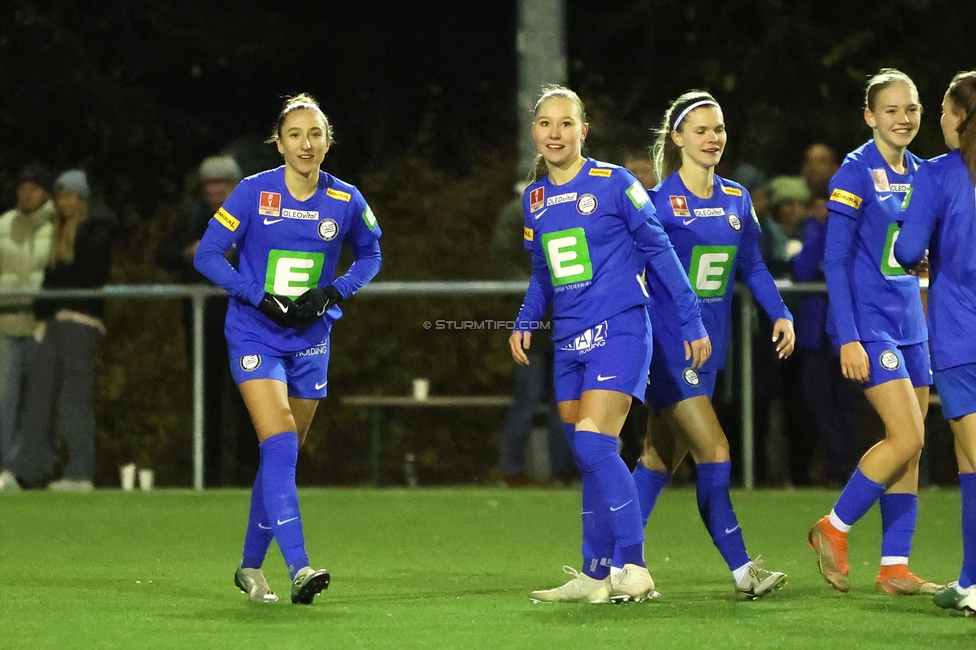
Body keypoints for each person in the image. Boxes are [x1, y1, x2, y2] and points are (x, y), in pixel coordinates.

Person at [509, 85, 710, 604]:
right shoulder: (534, 200)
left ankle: (635, 566)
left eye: (566, 123)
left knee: (598, 444)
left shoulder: (616, 182)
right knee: (587, 453)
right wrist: (527, 319)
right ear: (535, 132)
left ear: (584, 130)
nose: (556, 133)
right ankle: (596, 576)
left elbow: (661, 251)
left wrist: (690, 320)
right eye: (546, 124)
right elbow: (542, 271)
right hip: (569, 340)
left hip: (620, 328)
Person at [194, 93, 382, 605]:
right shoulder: (253, 193)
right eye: (295, 134)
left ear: (327, 142)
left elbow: (371, 254)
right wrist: (257, 296)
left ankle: (251, 568)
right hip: (255, 335)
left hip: (311, 340)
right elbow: (208, 255)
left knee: (283, 455)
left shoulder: (345, 200)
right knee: (278, 444)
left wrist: (334, 291)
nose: (306, 143)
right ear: (278, 143)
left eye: (315, 134)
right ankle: (301, 568)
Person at [620, 90, 792, 599]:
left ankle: (607, 565)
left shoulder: (738, 198)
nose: (713, 137)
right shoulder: (657, 204)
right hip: (670, 348)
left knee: (657, 460)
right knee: (714, 451)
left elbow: (754, 266)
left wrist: (779, 312)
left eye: (718, 128)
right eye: (701, 130)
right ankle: (744, 572)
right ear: (677, 138)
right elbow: (634, 274)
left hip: (708, 349)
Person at [808, 68, 942, 596]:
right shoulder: (855, 171)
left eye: (911, 109)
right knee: (905, 434)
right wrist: (847, 336)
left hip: (913, 324)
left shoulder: (923, 172)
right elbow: (834, 261)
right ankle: (833, 528)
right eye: (891, 110)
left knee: (913, 445)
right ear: (870, 117)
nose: (903, 118)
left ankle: (894, 567)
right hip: (871, 327)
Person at [894, 70, 976, 614]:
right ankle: (970, 579)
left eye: (946, 111)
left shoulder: (940, 174)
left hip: (959, 331)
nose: (941, 121)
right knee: (968, 466)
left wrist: (917, 243)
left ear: (962, 117)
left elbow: (907, 251)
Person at [157, 154, 257, 487]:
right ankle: (209, 477)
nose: (215, 194)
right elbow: (163, 255)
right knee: (206, 398)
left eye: (221, 187)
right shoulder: (192, 218)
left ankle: (248, 475)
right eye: (210, 188)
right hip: (202, 325)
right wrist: (189, 252)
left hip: (247, 323)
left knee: (249, 398)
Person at [13, 169, 116, 492]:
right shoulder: (58, 233)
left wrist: (56, 300)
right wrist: (47, 308)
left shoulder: (96, 231)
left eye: (70, 195)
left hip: (80, 323)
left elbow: (89, 278)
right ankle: (29, 471)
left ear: (82, 198)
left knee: (74, 398)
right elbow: (53, 281)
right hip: (54, 322)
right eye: (60, 196)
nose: (64, 202)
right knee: (38, 396)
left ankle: (79, 473)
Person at [490, 181, 575, 487]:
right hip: (534, 322)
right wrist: (538, 292)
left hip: (565, 320)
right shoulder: (518, 212)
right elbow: (502, 260)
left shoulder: (567, 207)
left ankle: (561, 470)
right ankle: (514, 470)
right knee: (530, 398)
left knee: (563, 400)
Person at [0, 164, 56, 491]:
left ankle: (29, 471)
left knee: (38, 402)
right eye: (22, 187)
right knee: (3, 400)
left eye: (32, 187)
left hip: (41, 325)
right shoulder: (4, 224)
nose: (25, 193)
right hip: (6, 322)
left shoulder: (58, 225)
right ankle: (5, 469)